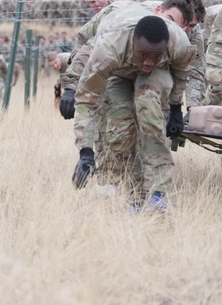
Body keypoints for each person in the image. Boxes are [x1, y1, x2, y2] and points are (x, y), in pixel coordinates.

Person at [72, 14, 194, 211]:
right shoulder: (108, 50)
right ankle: (135, 196)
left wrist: (175, 107)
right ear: (133, 42)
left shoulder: (178, 43)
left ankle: (157, 193)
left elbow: (181, 72)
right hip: (118, 73)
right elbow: (86, 100)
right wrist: (86, 152)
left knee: (151, 118)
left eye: (156, 55)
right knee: (121, 131)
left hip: (158, 74)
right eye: (143, 54)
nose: (148, 61)